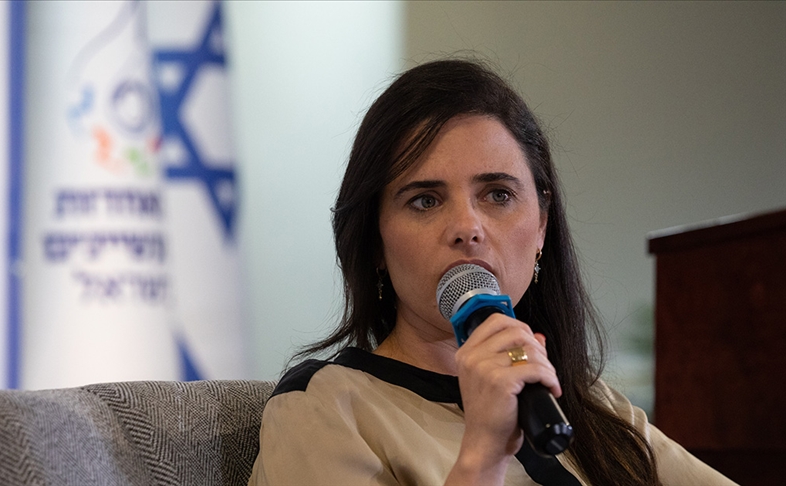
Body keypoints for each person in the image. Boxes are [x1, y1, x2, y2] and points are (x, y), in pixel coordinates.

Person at [247, 59, 736, 485]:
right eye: (425, 201)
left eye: (498, 195)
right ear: (375, 241)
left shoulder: (588, 404)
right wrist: (482, 455)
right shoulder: (323, 407)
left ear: (541, 226)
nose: (468, 228)